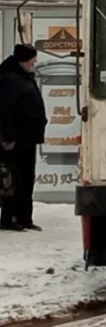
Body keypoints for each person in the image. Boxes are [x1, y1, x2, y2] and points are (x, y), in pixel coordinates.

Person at [0, 44, 47, 232]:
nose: (35, 62)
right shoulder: (11, 80)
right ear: (23, 60)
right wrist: (9, 137)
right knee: (15, 179)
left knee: (26, 179)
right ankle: (10, 218)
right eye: (32, 59)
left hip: (27, 138)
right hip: (17, 139)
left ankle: (24, 218)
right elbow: (5, 111)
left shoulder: (22, 77)